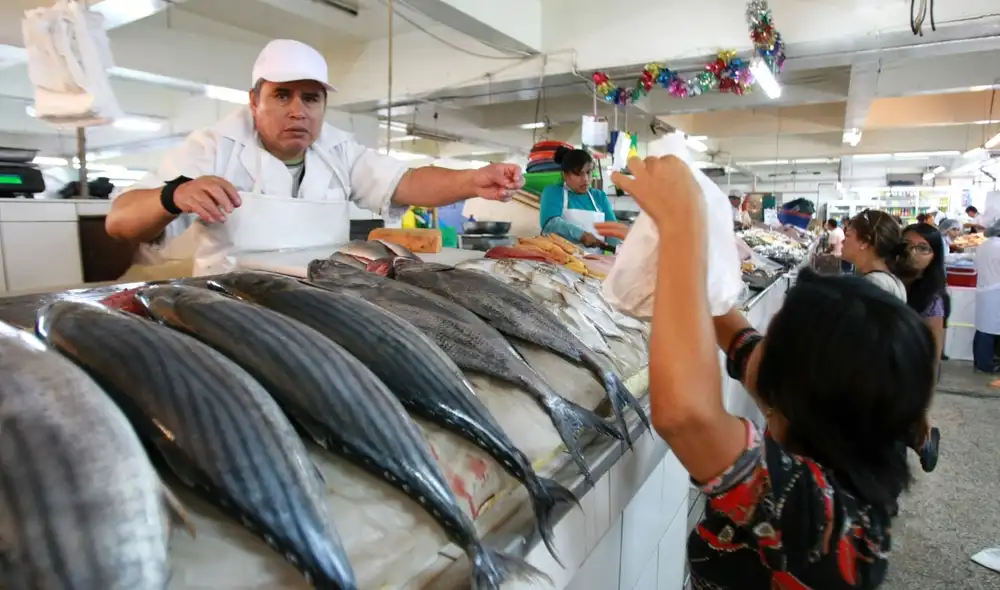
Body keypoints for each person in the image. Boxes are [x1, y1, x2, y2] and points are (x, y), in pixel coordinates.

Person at [612, 155, 935, 589]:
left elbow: (686, 417)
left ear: (805, 386)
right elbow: (734, 333)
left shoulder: (819, 518)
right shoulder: (848, 431)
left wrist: (681, 228)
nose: (759, 346)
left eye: (775, 341)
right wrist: (664, 256)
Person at [105, 39, 523, 275]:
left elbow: (406, 182)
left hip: (326, 302)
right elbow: (120, 221)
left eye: (311, 98)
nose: (298, 110)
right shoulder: (214, 147)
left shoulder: (337, 148)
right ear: (255, 101)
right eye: (281, 95)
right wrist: (171, 197)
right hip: (232, 306)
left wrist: (471, 179)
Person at [902, 223, 946, 472]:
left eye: (923, 248)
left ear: (934, 256)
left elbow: (933, 357)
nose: (913, 253)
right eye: (907, 246)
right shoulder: (884, 280)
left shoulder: (932, 299)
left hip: (912, 375)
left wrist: (924, 408)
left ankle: (923, 440)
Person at [538, 147, 624, 249]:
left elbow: (612, 229)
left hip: (595, 261)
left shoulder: (599, 196)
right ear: (565, 175)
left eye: (588, 172)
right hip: (560, 260)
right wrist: (581, 235)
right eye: (578, 174)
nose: (585, 179)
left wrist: (619, 250)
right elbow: (550, 224)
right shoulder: (553, 192)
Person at [841, 208, 915, 301]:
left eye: (848, 236)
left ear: (864, 242)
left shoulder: (873, 284)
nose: (842, 241)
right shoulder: (890, 280)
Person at [973, 220, 1000, 373]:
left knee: (982, 328)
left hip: (983, 290)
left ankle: (979, 360)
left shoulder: (983, 245)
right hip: (996, 292)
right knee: (990, 330)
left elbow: (975, 267)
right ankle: (986, 364)